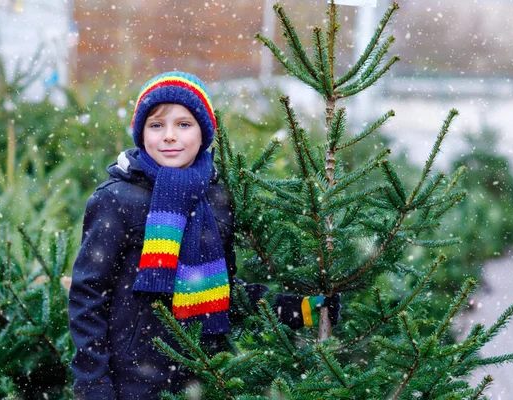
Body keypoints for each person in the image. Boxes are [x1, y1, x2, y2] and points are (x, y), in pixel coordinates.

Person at [68, 71, 340, 399]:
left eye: (184, 124)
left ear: (204, 133)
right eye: (156, 125)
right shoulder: (115, 199)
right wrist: (94, 385)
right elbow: (88, 297)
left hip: (203, 376)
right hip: (132, 381)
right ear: (141, 134)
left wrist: (299, 309)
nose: (169, 136)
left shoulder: (216, 199)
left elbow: (223, 289)